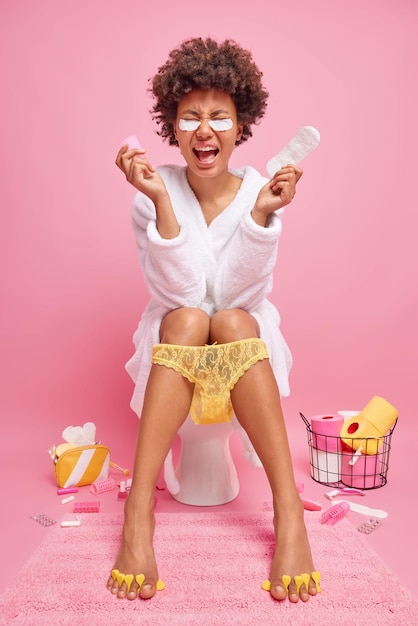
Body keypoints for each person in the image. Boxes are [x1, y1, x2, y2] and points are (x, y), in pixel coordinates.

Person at [108, 36, 319, 604]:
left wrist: (259, 218)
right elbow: (182, 295)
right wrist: (163, 204)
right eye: (190, 117)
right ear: (172, 127)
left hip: (241, 333)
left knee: (229, 321)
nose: (205, 129)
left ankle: (289, 512)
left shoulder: (260, 189)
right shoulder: (151, 193)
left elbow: (234, 296)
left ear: (240, 124)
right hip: (174, 336)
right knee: (184, 321)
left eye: (219, 116)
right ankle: (138, 513)